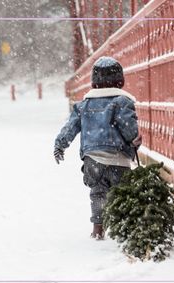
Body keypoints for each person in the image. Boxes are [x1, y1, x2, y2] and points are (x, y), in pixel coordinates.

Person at [54, 56, 141, 240]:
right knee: (121, 195)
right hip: (118, 158)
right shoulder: (122, 102)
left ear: (94, 83)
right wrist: (134, 139)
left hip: (93, 160)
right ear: (120, 81)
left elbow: (70, 128)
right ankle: (122, 229)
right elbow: (129, 128)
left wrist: (60, 144)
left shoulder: (83, 106)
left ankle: (98, 229)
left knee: (98, 194)